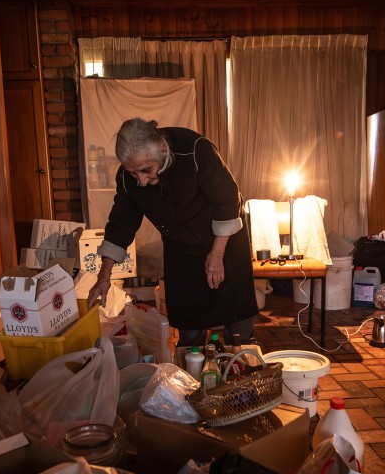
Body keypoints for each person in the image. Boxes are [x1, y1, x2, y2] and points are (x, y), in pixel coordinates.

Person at [86, 118, 258, 349]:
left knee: (238, 326)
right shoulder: (129, 178)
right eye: (133, 173)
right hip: (180, 249)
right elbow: (120, 224)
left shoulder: (194, 150)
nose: (142, 182)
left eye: (146, 170)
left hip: (225, 242)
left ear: (162, 151)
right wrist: (104, 276)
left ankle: (240, 367)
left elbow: (228, 200)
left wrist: (216, 255)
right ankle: (194, 375)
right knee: (189, 328)